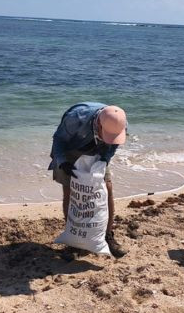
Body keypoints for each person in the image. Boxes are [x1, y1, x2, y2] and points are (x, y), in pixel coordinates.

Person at [49, 102, 128, 258]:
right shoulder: (76, 118)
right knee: (70, 191)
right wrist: (62, 162)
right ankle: (74, 239)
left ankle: (107, 235)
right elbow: (59, 139)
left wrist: (104, 160)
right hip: (71, 150)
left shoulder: (120, 121)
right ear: (98, 123)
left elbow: (114, 144)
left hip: (99, 152)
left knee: (107, 188)